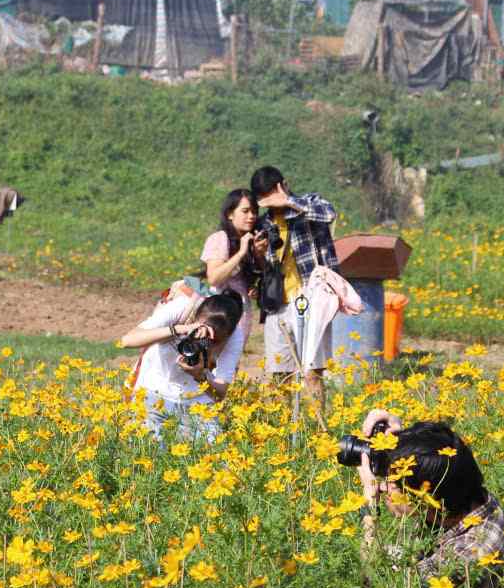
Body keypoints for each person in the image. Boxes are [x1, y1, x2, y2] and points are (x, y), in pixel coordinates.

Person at [350, 408, 504, 588]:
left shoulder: (470, 555)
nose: (384, 486)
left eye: (391, 482)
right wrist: (399, 439)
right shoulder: (468, 497)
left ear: (426, 499)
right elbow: (436, 460)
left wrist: (370, 508)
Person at [248, 165, 340, 415]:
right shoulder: (262, 223)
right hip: (278, 304)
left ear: (284, 185)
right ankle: (283, 437)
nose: (273, 204)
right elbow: (260, 269)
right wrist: (257, 254)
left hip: (313, 299)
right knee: (279, 376)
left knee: (312, 373)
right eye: (266, 199)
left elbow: (330, 213)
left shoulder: (308, 204)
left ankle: (317, 433)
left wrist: (289, 201)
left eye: (273, 195)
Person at [120, 290, 245, 443]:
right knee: (147, 449)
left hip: (196, 403)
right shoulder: (182, 308)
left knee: (217, 454)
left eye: (214, 341)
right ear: (196, 317)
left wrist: (200, 376)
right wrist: (179, 329)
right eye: (203, 331)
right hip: (153, 391)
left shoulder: (235, 335)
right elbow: (127, 340)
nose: (206, 341)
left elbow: (220, 394)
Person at [200, 188, 257, 339]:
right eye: (245, 211)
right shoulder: (220, 238)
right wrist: (240, 253)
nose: (251, 216)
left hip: (240, 310)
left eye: (254, 211)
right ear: (230, 214)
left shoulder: (248, 240)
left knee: (232, 359)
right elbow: (214, 278)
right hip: (220, 312)